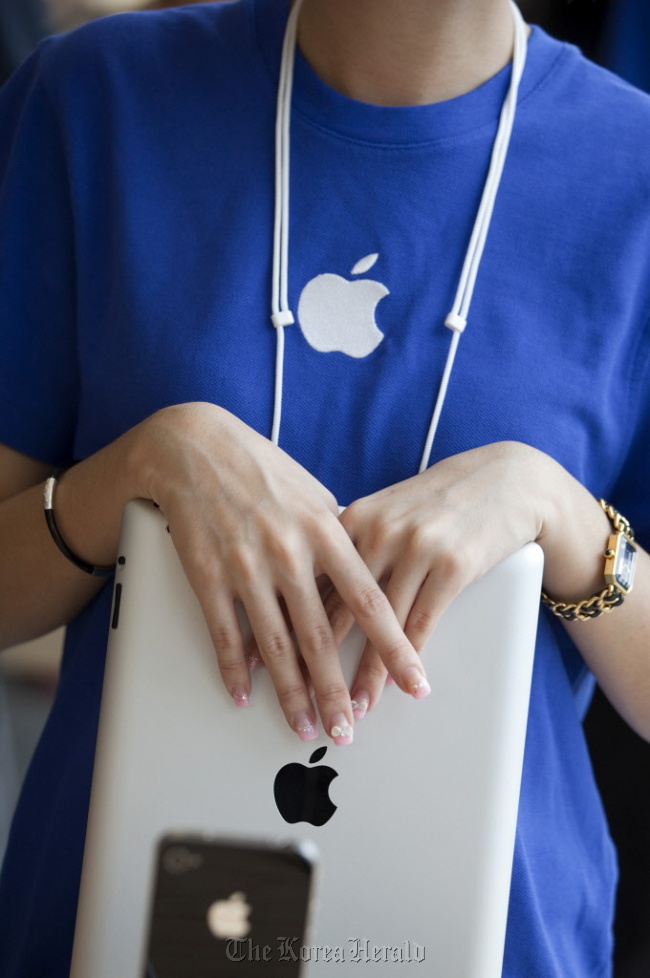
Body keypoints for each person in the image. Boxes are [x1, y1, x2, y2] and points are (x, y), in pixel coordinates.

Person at [0, 0, 648, 975]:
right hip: (120, 916)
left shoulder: (631, 175)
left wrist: (557, 513)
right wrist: (136, 471)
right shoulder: (91, 100)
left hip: (499, 936)